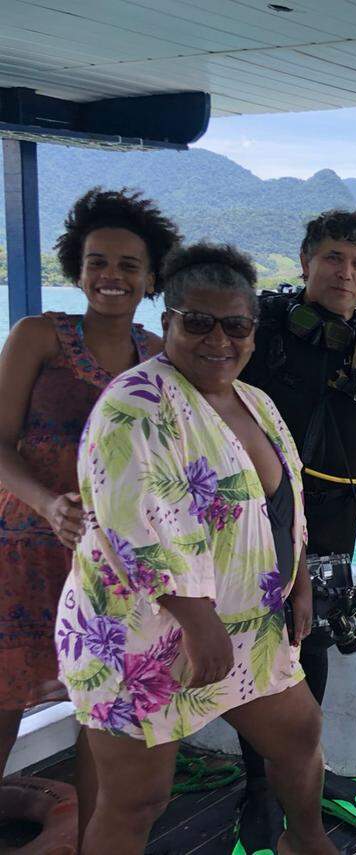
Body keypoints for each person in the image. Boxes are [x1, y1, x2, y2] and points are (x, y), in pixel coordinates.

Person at [54, 243, 336, 855]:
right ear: (168, 323)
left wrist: (301, 581)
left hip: (247, 627)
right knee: (138, 800)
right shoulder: (134, 405)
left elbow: (283, 506)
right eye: (197, 322)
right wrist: (194, 616)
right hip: (142, 633)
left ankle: (305, 842)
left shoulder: (255, 403)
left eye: (235, 325)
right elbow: (130, 521)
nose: (218, 339)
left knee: (299, 734)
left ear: (253, 332)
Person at [235, 209, 356, 847]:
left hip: (333, 526)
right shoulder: (261, 330)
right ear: (305, 262)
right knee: (253, 654)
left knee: (308, 646)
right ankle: (257, 791)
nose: (345, 273)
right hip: (254, 518)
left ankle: (299, 778)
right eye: (333, 258)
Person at [0, 188, 177, 812]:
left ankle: (90, 840)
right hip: (21, 550)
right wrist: (48, 504)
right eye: (98, 261)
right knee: (4, 693)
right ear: (78, 268)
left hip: (110, 560)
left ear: (152, 277)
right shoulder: (37, 336)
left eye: (130, 265)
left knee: (100, 703)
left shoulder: (160, 357)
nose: (112, 276)